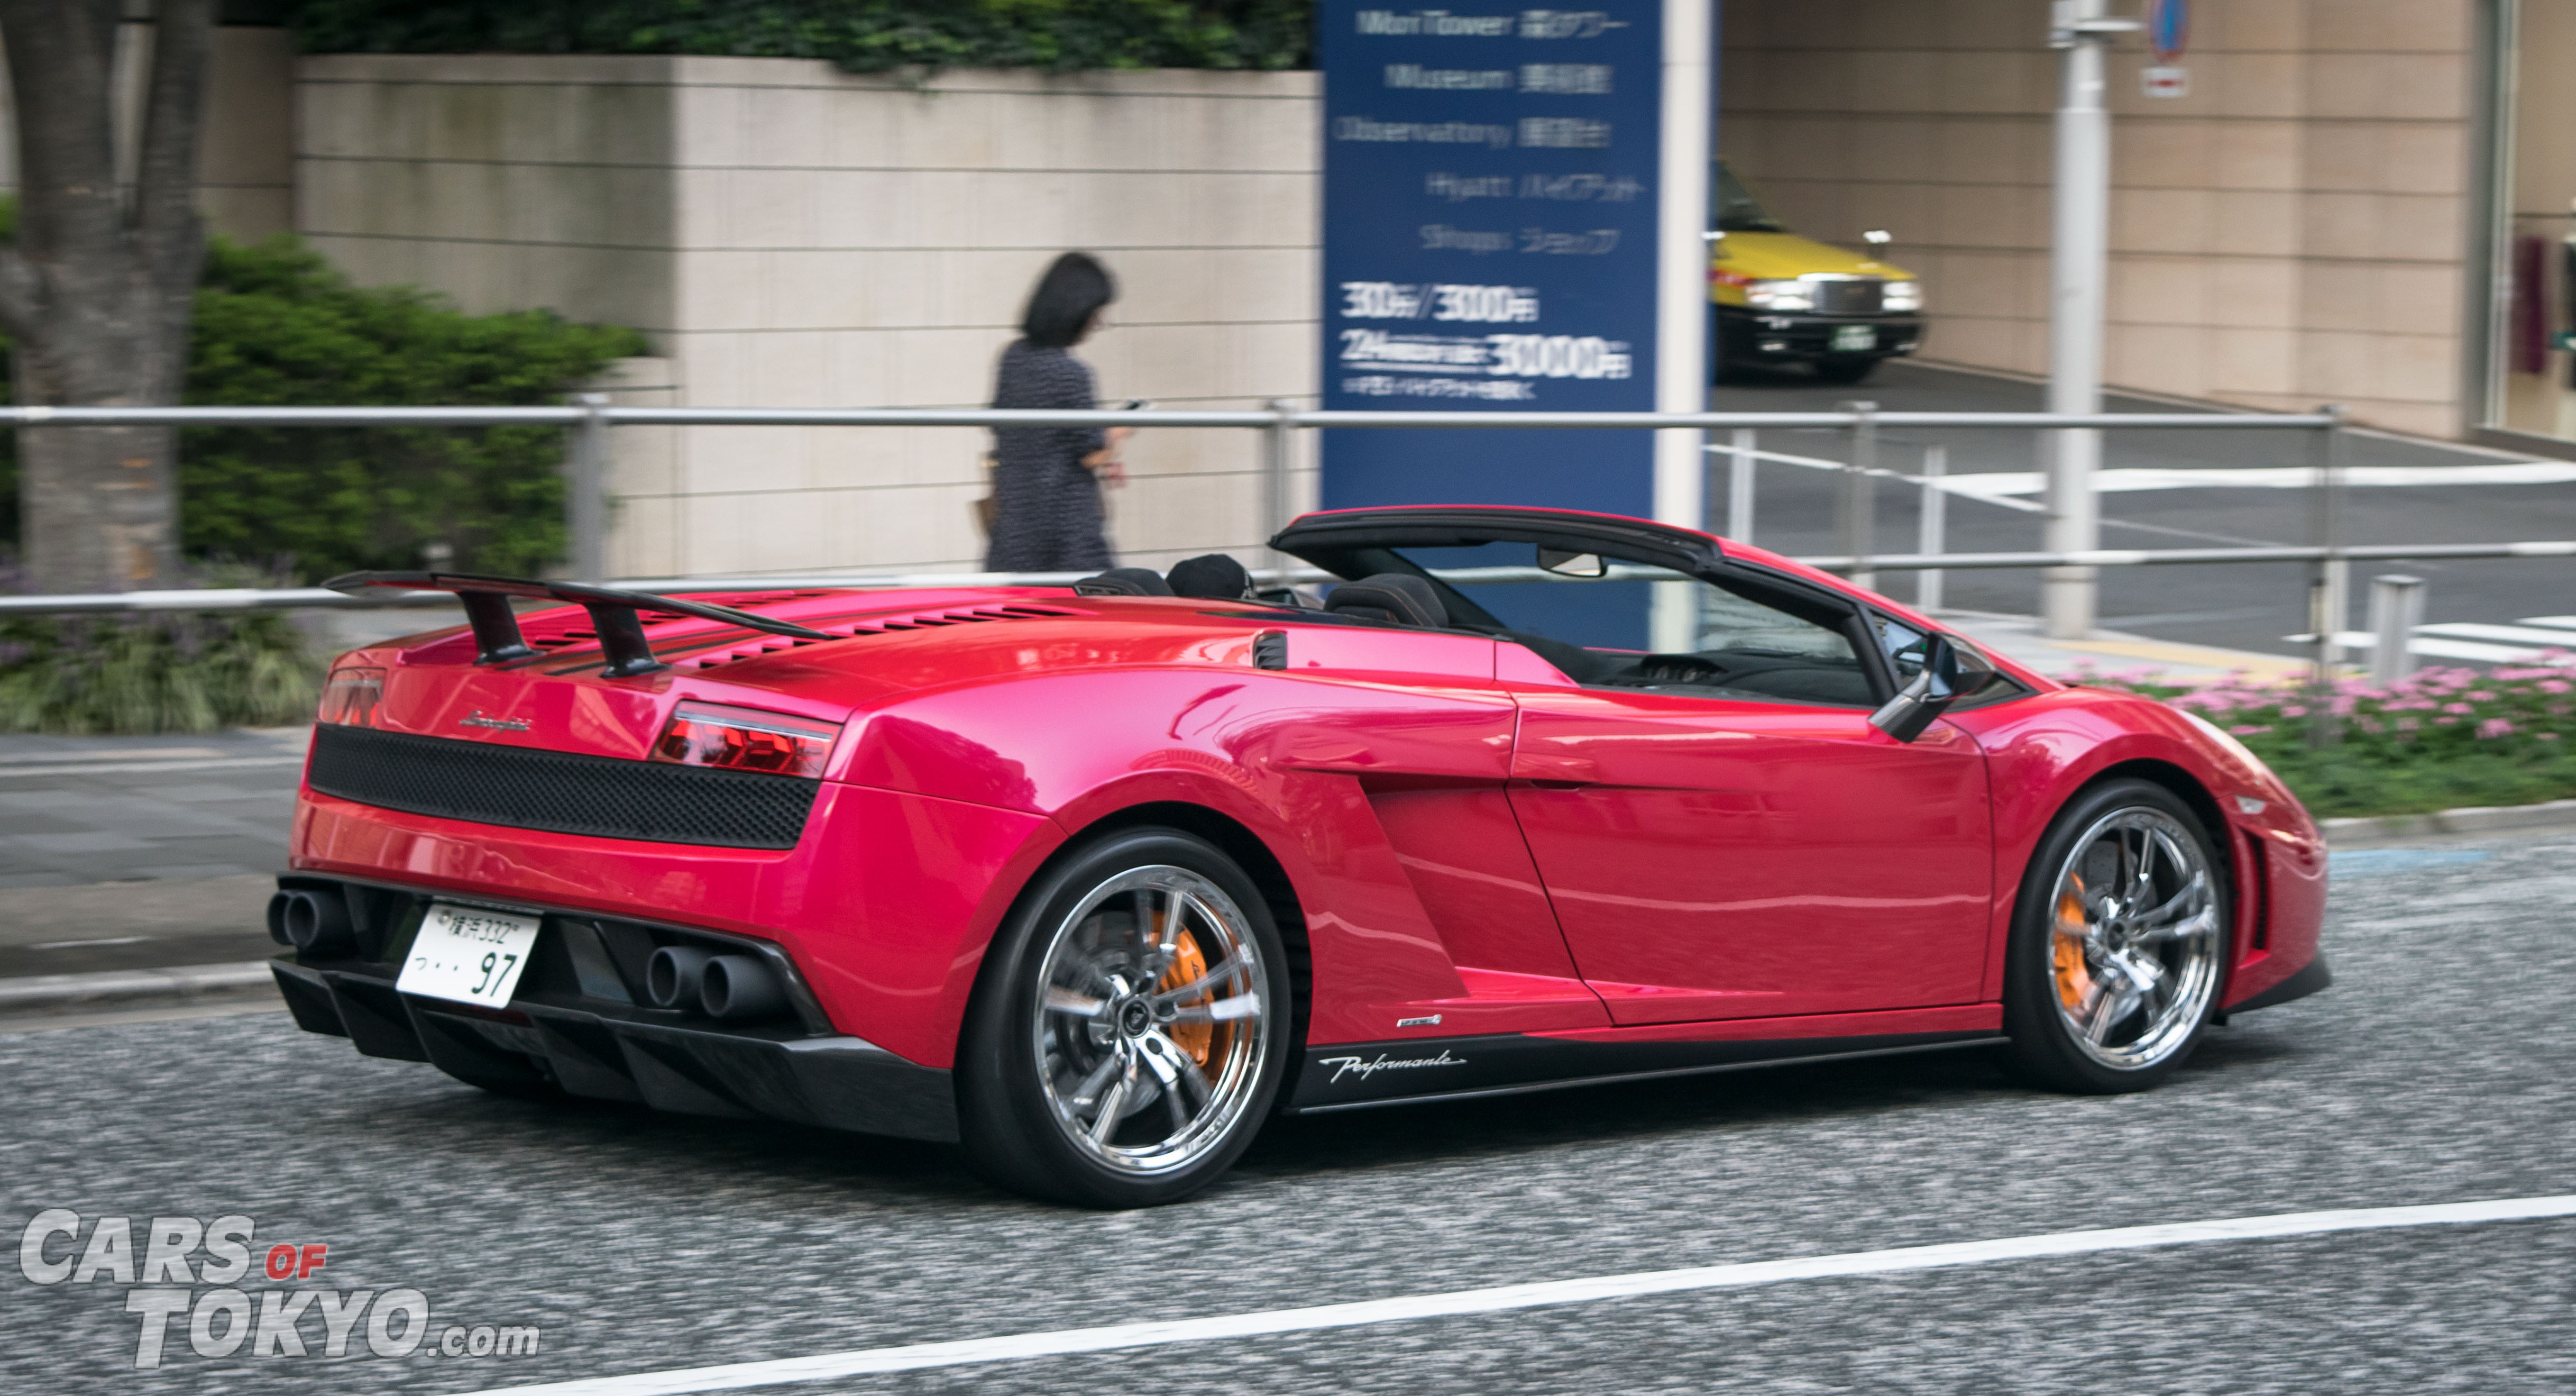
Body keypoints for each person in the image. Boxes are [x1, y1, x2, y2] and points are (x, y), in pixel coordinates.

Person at [984, 252, 1131, 572]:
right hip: (1066, 531)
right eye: (1097, 313)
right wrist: (1122, 430)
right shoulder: (1072, 373)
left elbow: (1006, 431)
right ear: (1076, 312)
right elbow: (1091, 454)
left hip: (1015, 528)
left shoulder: (1012, 359)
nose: (1099, 323)